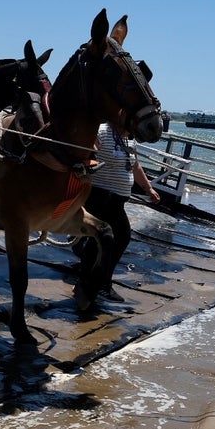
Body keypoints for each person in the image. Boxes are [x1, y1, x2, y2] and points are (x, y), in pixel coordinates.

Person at [77, 121, 161, 302]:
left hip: (117, 201)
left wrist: (148, 188)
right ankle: (91, 283)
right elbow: (84, 155)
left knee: (118, 239)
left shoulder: (130, 139)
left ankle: (96, 283)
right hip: (100, 196)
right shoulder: (101, 132)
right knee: (102, 240)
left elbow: (135, 166)